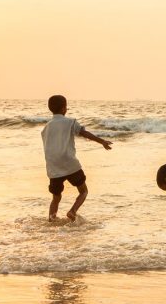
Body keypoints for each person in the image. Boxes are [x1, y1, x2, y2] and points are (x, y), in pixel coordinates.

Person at [41, 94, 113, 222]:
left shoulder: (46, 127)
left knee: (56, 197)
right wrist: (102, 141)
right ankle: (72, 211)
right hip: (70, 163)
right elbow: (84, 133)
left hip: (53, 167)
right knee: (83, 191)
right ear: (64, 109)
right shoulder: (70, 122)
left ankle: (51, 219)